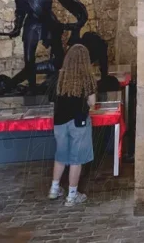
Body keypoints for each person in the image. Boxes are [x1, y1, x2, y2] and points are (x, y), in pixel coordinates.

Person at [48, 44, 98, 206]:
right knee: (76, 159)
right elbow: (92, 102)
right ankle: (72, 195)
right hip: (78, 122)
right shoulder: (87, 78)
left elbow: (52, 99)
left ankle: (54, 189)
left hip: (59, 122)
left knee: (61, 156)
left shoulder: (59, 77)